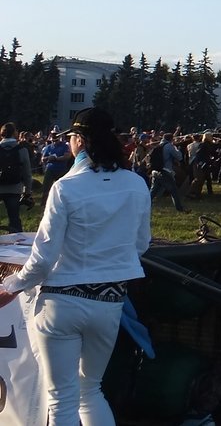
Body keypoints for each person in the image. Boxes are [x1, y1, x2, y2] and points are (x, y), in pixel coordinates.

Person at [0, 107, 151, 426]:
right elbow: (140, 245)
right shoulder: (137, 185)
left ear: (79, 141)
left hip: (61, 303)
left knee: (62, 401)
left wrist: (11, 286)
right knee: (91, 391)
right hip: (109, 302)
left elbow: (42, 258)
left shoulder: (66, 188)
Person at [0, 122, 33, 232]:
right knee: (14, 219)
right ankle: (16, 243)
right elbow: (27, 174)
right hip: (14, 188)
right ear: (15, 133)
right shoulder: (22, 150)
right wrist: (27, 191)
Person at [40, 130, 72, 201]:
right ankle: (44, 202)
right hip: (50, 169)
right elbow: (43, 159)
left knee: (62, 187)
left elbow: (67, 156)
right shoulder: (48, 147)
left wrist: (56, 158)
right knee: (46, 187)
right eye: (53, 135)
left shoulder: (64, 146)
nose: (54, 138)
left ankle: (62, 201)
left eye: (56, 134)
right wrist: (48, 158)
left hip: (61, 169)